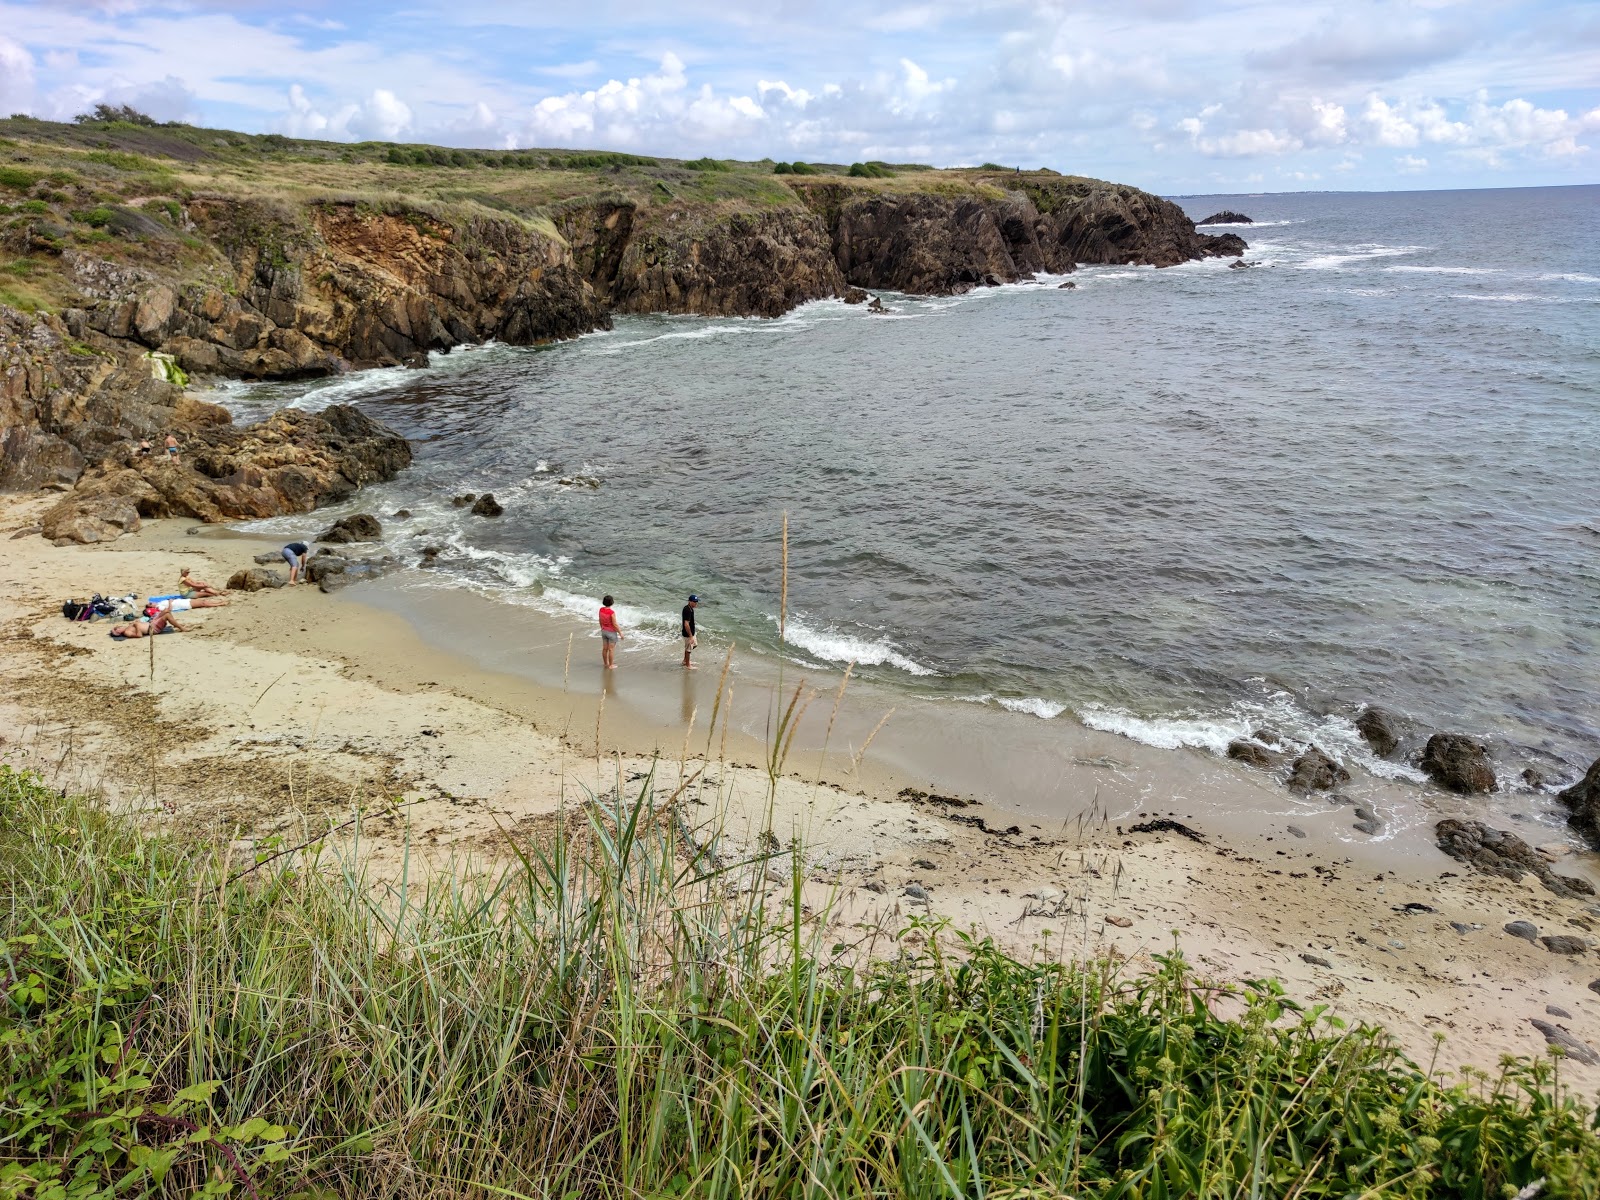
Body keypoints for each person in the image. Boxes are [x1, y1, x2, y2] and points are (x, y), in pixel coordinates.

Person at [110, 610, 186, 639]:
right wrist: (137, 625)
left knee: (166, 611)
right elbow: (139, 635)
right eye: (117, 628)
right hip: (152, 628)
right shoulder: (127, 632)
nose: (119, 627)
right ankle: (181, 628)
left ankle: (176, 624)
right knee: (167, 615)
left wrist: (137, 622)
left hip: (151, 623)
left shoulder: (127, 628)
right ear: (118, 632)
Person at [598, 594, 623, 669]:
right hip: (611, 633)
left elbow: (600, 619)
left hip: (604, 631)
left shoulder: (601, 609)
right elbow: (614, 624)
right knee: (611, 649)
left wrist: (601, 627)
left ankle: (606, 663)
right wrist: (620, 633)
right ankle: (611, 665)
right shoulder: (611, 612)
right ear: (612, 602)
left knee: (605, 649)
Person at [146, 595, 227, 615]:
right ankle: (220, 604)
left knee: (202, 601)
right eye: (150, 604)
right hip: (183, 604)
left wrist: (171, 600)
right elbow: (169, 610)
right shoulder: (159, 607)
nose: (152, 602)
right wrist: (170, 602)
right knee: (203, 603)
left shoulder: (159, 603)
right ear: (151, 606)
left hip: (182, 601)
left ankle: (218, 603)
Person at [681, 593, 699, 670]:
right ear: (689, 601)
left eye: (696, 602)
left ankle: (685, 660)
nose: (695, 603)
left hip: (691, 632)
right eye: (694, 602)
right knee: (689, 649)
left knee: (694, 645)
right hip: (688, 634)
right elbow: (686, 624)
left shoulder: (690, 609)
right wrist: (691, 636)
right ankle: (688, 665)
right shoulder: (687, 610)